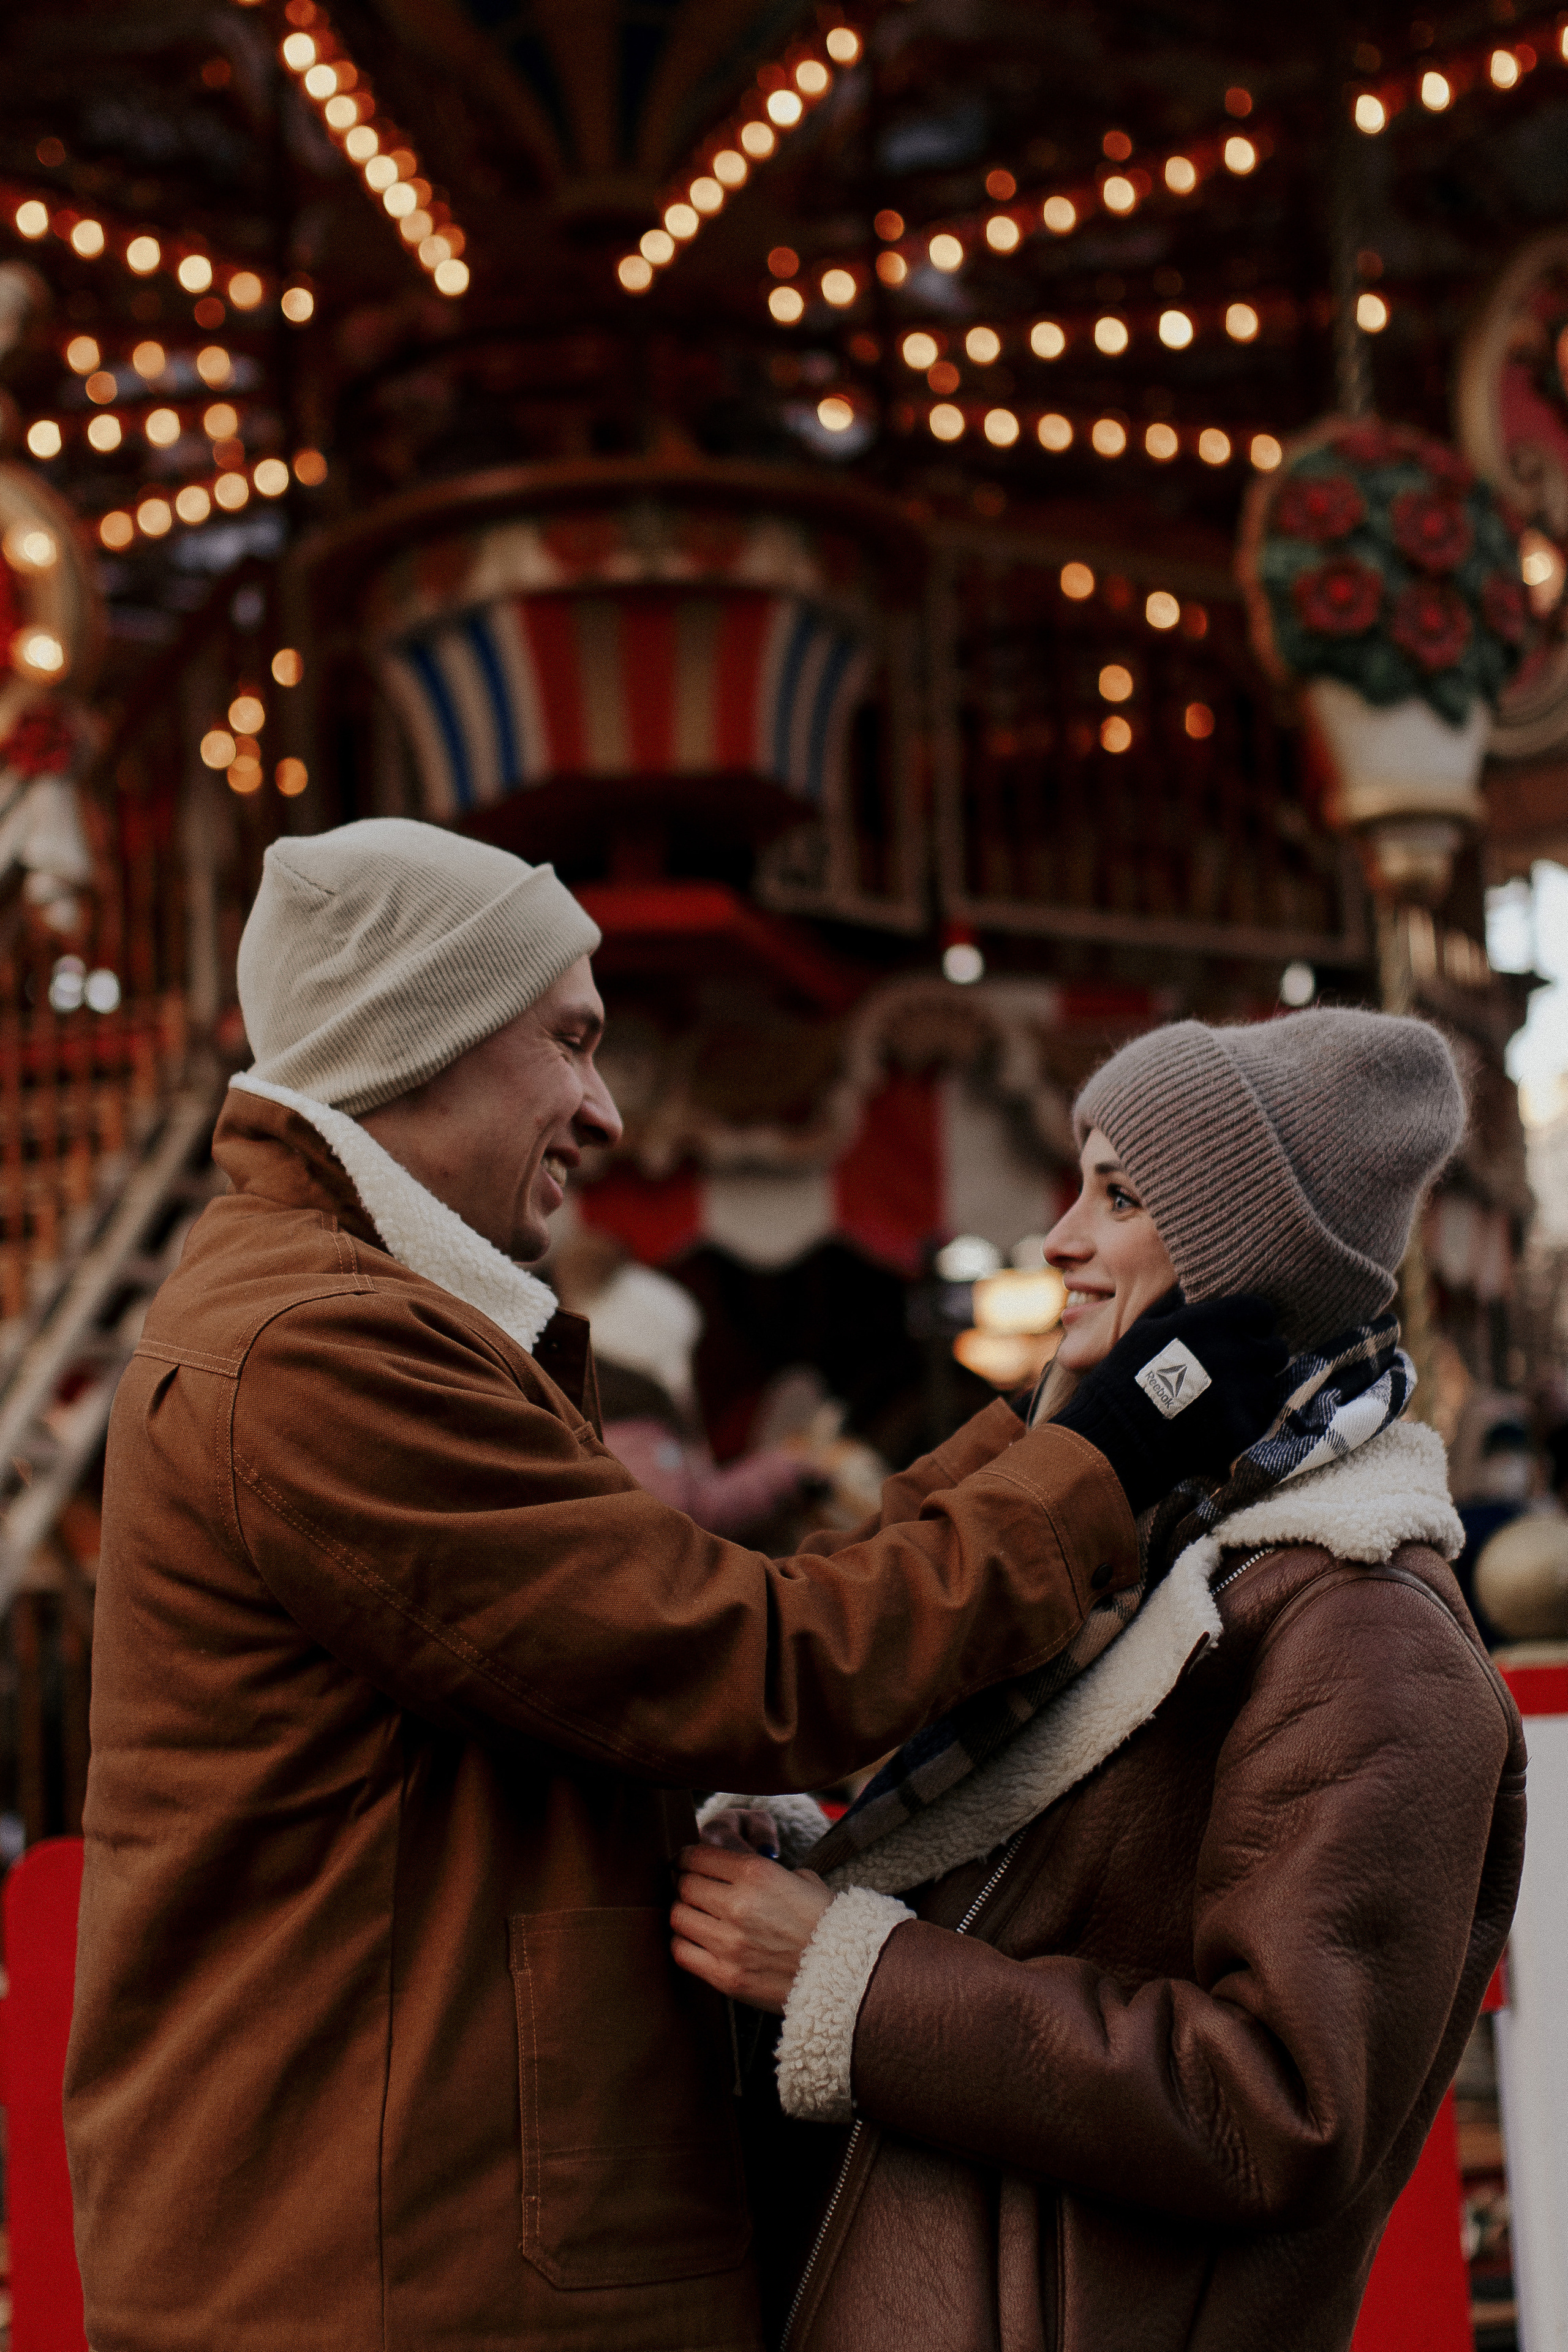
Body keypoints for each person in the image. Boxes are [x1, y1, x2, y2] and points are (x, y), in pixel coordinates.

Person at [64, 819, 1287, 2352]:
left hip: (388, 2244)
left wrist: (1050, 1436)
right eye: (570, 1043)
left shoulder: (348, 1319)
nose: (605, 1107)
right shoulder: (321, 1353)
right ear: (417, 1040)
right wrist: (1103, 1460)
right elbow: (752, 1666)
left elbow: (711, 1618)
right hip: (398, 2276)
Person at [674, 1008, 1527, 2352]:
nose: (1060, 1235)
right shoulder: (1156, 1551)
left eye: (1118, 1196)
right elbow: (1035, 1883)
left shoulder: (1365, 1626)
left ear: (1245, 1269)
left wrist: (852, 1971)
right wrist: (818, 1861)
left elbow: (1278, 2106)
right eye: (1076, 1181)